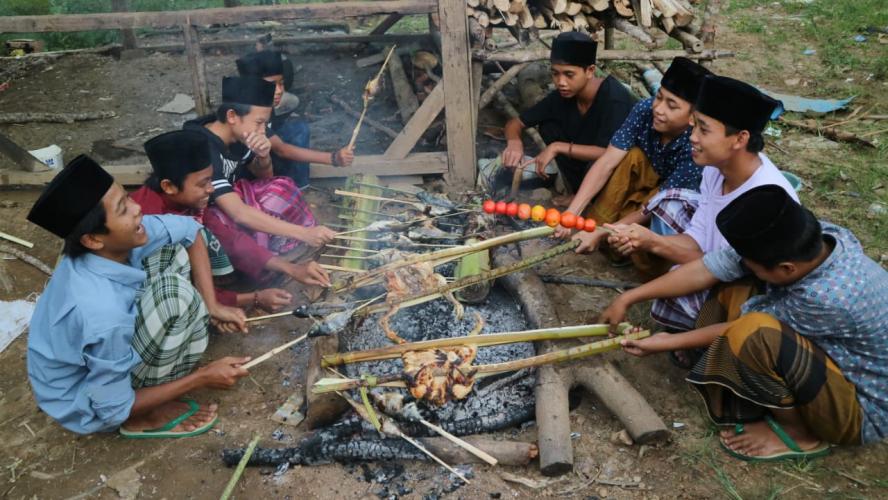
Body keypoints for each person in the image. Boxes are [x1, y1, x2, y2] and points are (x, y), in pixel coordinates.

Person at [604, 186, 888, 460]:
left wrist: (668, 341)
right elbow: (709, 268)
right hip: (825, 356)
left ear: (788, 268)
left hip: (860, 407)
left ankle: (800, 434)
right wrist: (629, 298)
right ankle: (736, 372)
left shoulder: (827, 297)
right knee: (735, 279)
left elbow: (746, 327)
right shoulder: (815, 237)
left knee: (753, 332)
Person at [27, 155, 250, 437]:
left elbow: (190, 231)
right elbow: (111, 408)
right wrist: (202, 378)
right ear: (93, 239)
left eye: (127, 197)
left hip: (102, 348)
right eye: (122, 209)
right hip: (85, 402)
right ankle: (147, 414)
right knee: (174, 295)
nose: (137, 209)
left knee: (173, 251)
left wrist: (212, 304)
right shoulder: (101, 312)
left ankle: (156, 379)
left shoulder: (112, 245)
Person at [604, 75, 798, 332]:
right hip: (716, 264)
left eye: (703, 130)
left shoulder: (763, 200)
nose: (692, 137)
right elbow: (697, 240)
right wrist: (646, 238)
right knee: (669, 201)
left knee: (719, 298)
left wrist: (653, 243)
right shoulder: (715, 169)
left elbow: (715, 267)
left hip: (751, 291)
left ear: (740, 139)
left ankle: (700, 336)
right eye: (694, 126)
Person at [132, 129, 322, 311]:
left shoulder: (185, 201)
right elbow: (185, 291)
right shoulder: (151, 226)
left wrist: (291, 269)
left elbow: (229, 238)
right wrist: (254, 298)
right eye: (203, 183)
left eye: (210, 180)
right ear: (169, 186)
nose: (211, 189)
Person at [554, 57, 710, 276]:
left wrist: (601, 232)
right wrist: (572, 213)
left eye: (671, 105)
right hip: (646, 185)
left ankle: (613, 240)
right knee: (631, 157)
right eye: (659, 97)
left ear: (693, 116)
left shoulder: (696, 146)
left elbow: (657, 204)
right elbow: (607, 161)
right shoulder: (645, 110)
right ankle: (600, 229)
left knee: (642, 232)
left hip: (667, 204)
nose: (659, 109)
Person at [184, 76, 333, 286]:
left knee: (282, 187)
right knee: (229, 230)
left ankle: (269, 243)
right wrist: (305, 233)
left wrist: (263, 156)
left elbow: (266, 180)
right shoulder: (203, 148)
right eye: (260, 123)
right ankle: (246, 270)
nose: (263, 131)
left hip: (234, 197)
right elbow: (239, 214)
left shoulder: (239, 135)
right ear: (232, 116)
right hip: (206, 215)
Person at [501, 31, 635, 199]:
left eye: (569, 74)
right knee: (549, 127)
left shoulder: (614, 99)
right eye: (555, 73)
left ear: (590, 71)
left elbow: (610, 153)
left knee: (597, 161)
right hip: (585, 161)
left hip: (618, 166)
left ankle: (588, 198)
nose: (561, 82)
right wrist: (514, 142)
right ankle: (576, 190)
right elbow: (515, 123)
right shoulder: (563, 95)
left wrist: (557, 147)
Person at [235, 50, 354, 187]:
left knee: (298, 129)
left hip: (260, 156)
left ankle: (297, 187)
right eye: (273, 85)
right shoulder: (247, 114)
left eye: (281, 83)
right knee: (296, 133)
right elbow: (281, 149)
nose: (279, 90)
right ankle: (286, 189)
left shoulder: (262, 103)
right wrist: (334, 158)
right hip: (243, 176)